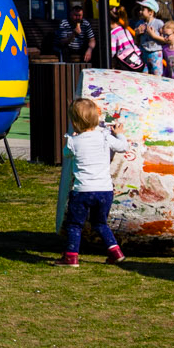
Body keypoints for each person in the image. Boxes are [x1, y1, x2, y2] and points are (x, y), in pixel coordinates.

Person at [56, 97, 128, 267]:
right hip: (104, 190)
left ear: (74, 122)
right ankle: (116, 252)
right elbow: (122, 147)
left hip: (82, 191)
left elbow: (66, 153)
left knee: (74, 224)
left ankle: (71, 257)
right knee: (100, 223)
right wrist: (119, 134)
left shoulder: (74, 142)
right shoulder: (104, 137)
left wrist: (72, 138)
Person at [134, 0, 166, 77]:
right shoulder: (139, 23)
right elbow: (136, 42)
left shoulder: (159, 23)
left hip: (155, 53)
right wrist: (137, 34)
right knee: (144, 75)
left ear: (151, 12)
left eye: (143, 9)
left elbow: (165, 40)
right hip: (143, 52)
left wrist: (153, 35)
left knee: (157, 75)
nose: (140, 12)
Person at [107, 5, 143, 71]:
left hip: (124, 61)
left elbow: (112, 52)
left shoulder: (113, 34)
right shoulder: (125, 29)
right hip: (136, 57)